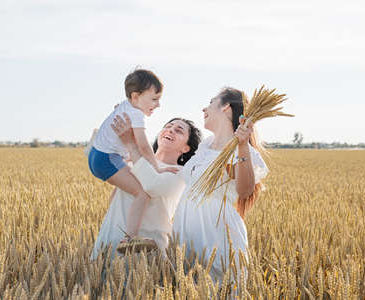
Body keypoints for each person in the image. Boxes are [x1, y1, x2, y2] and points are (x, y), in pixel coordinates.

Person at [172, 87, 269, 281]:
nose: (203, 108)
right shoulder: (206, 145)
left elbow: (244, 191)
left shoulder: (239, 149)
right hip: (186, 238)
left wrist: (242, 146)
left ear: (226, 107)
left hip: (215, 239)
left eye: (210, 102)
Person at [91, 115, 202, 259]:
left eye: (178, 130)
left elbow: (152, 185)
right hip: (110, 241)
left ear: (186, 148)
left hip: (145, 252)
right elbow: (114, 201)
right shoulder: (134, 162)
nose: (170, 130)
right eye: (168, 126)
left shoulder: (180, 173)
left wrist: (131, 144)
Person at [87, 69, 178, 246]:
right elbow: (144, 146)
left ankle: (111, 224)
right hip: (107, 158)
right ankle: (130, 238)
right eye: (154, 99)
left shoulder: (125, 106)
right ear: (135, 97)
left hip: (96, 155)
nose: (158, 104)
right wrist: (157, 168)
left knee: (132, 178)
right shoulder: (136, 114)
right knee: (142, 194)